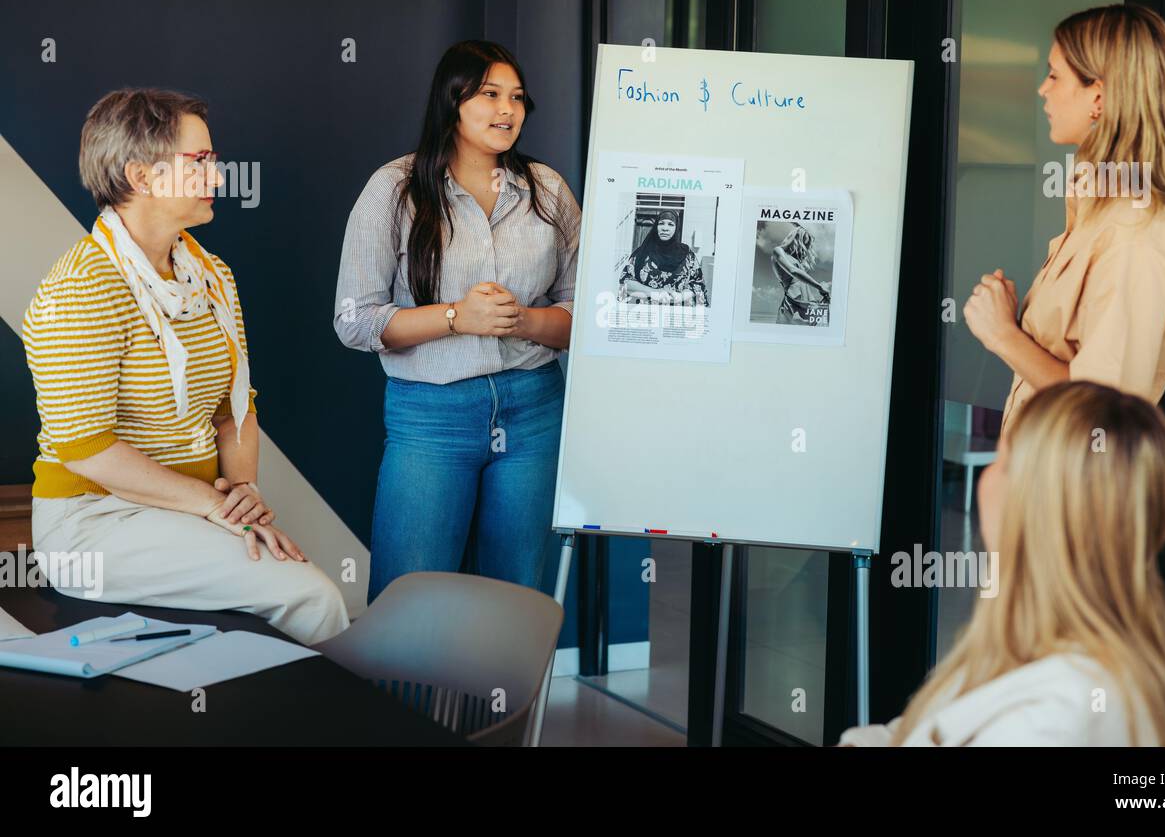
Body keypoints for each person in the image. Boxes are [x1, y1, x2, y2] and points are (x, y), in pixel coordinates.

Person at [24, 88, 349, 646]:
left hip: (192, 507)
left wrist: (242, 490)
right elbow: (85, 447)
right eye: (200, 161)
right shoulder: (81, 288)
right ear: (141, 176)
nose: (218, 176)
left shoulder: (212, 275)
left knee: (296, 586)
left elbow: (234, 408)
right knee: (312, 595)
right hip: (93, 522)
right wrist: (216, 506)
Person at [334, 40, 581, 603]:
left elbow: (587, 314)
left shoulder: (546, 189)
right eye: (490, 94)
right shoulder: (394, 188)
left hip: (534, 410)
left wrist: (522, 321)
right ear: (453, 101)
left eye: (517, 97)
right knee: (408, 598)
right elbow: (354, 320)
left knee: (514, 600)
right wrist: (456, 317)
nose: (507, 110)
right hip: (432, 415)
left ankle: (502, 672)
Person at [840, 381, 1165, 746]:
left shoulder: (1057, 716)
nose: (986, 477)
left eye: (1002, 461)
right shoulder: (1029, 649)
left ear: (1035, 504)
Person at [963, 4, 1165, 435]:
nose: (1043, 89)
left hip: (1074, 475)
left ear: (1098, 97)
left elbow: (1104, 406)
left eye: (1054, 75)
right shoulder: (1103, 206)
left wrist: (1002, 334)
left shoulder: (1138, 231)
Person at [618, 209, 709, 305]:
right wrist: (654, 293)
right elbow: (625, 282)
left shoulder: (687, 255)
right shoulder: (641, 253)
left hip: (676, 311)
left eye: (671, 224)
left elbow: (698, 283)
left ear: (677, 228)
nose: (665, 228)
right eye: (661, 223)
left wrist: (680, 296)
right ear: (656, 227)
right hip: (646, 310)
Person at [769, 224, 830, 324]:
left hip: (805, 306)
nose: (804, 247)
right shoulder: (778, 251)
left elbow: (804, 285)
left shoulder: (796, 260)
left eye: (807, 244)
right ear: (796, 239)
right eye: (804, 242)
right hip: (792, 305)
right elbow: (793, 271)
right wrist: (819, 287)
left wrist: (820, 303)